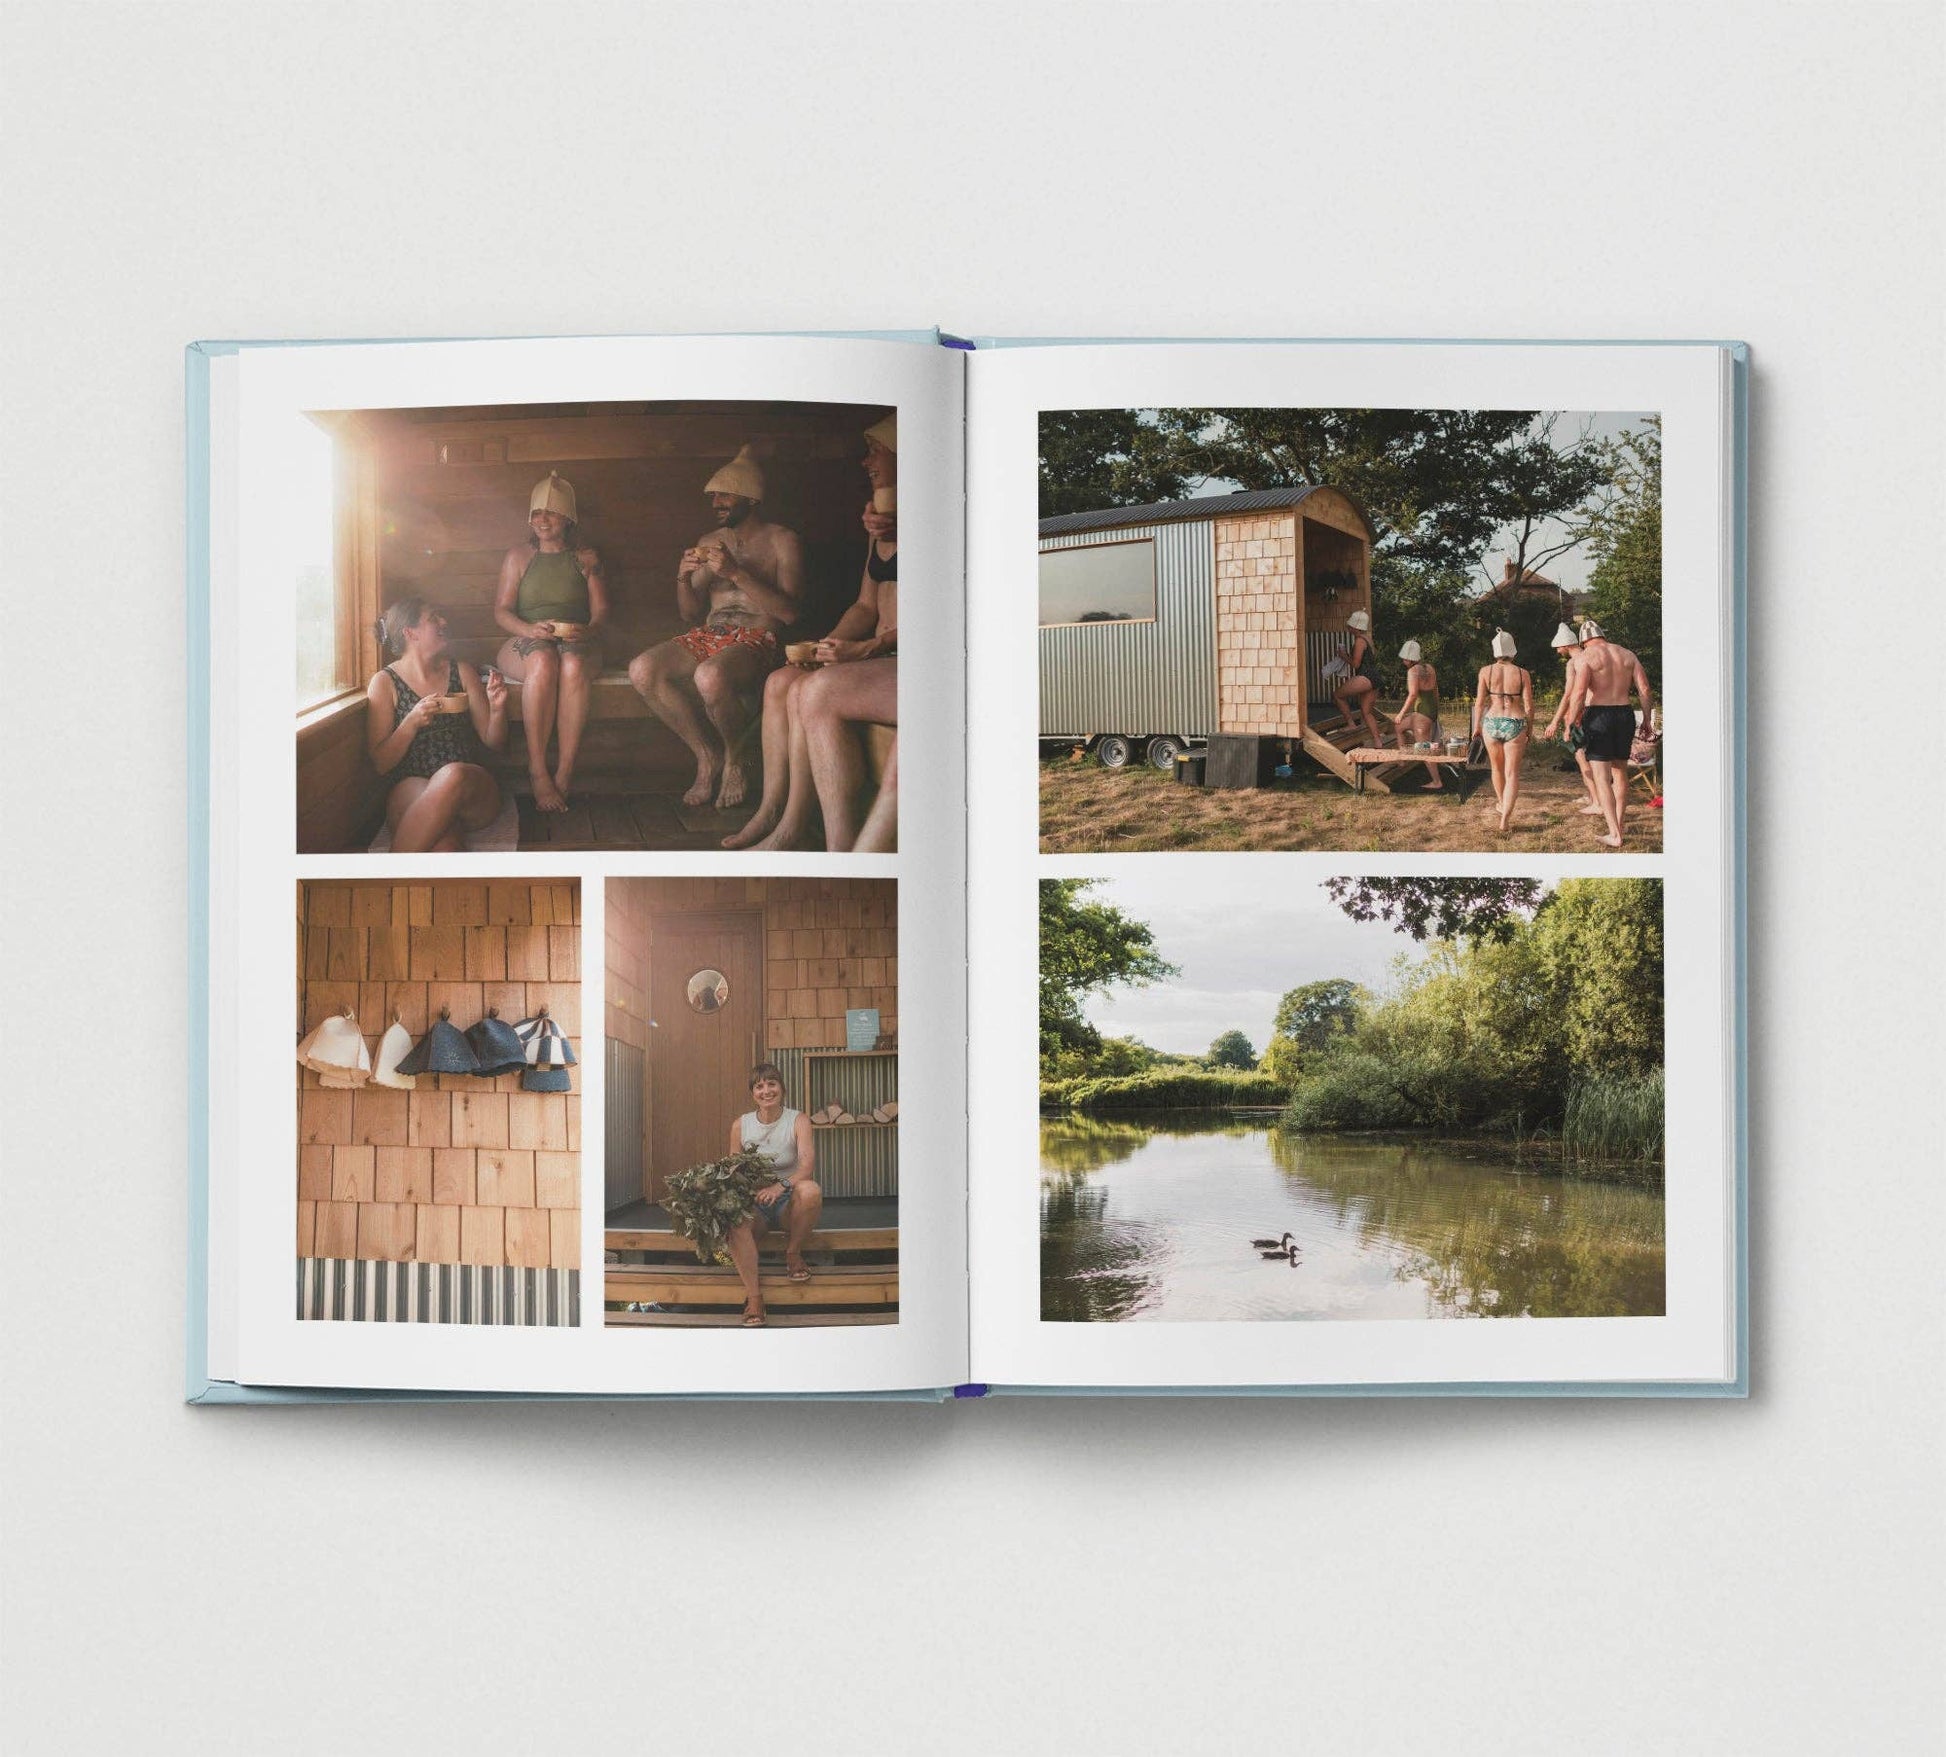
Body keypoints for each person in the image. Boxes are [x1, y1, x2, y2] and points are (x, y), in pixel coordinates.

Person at [725, 412, 899, 852]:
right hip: (876, 652)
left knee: (814, 691)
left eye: (876, 451)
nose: (866, 461)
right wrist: (825, 647)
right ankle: (780, 815)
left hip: (898, 656)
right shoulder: (880, 522)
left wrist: (868, 648)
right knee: (781, 681)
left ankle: (832, 844)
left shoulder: (936, 522)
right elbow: (865, 606)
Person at [628, 446, 804, 810]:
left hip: (758, 638)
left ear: (751, 497)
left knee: (709, 676)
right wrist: (682, 577)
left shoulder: (782, 540)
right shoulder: (709, 542)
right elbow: (690, 614)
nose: (716, 503)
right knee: (642, 669)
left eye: (725, 495)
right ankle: (707, 755)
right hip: (709, 635)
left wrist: (735, 573)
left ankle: (736, 759)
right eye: (714, 497)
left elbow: (790, 614)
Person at [493, 472, 609, 814]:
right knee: (544, 661)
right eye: (537, 513)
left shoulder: (586, 558)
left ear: (568, 518)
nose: (542, 520)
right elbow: (501, 611)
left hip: (577, 641)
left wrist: (587, 631)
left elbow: (601, 612)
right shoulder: (518, 557)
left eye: (552, 513)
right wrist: (528, 630)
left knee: (571, 664)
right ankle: (538, 770)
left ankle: (565, 770)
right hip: (527, 638)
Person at [364, 597, 509, 852]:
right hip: (412, 786)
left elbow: (494, 742)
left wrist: (497, 708)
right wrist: (411, 722)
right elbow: (381, 763)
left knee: (453, 774)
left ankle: (390, 868)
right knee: (445, 847)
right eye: (433, 618)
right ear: (410, 633)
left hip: (470, 789)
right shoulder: (385, 682)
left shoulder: (461, 671)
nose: (443, 622)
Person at [723, 1063, 823, 1328]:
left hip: (788, 1203)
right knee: (735, 1219)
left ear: (782, 1088)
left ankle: (793, 1253)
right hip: (756, 1204)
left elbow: (806, 1167)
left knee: (811, 1190)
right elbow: (733, 1168)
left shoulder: (798, 1120)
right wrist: (740, 1188)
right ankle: (754, 1298)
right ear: (752, 1093)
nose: (766, 1091)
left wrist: (780, 1186)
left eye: (772, 1084)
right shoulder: (740, 1125)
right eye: (759, 1086)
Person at [1563, 618, 1656, 848]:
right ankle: (1619, 825)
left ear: (1583, 641)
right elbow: (1645, 689)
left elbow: (1579, 693)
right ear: (1602, 635)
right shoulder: (1627, 654)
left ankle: (1615, 834)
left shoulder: (1585, 657)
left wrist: (1571, 723)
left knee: (1601, 777)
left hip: (1599, 716)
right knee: (1620, 772)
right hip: (1625, 714)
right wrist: (1646, 719)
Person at [1539, 621, 1606, 819]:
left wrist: (1555, 721)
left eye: (1558, 647)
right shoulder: (1593, 656)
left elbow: (1569, 695)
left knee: (1582, 758)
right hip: (1597, 713)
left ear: (1566, 645)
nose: (1557, 650)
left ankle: (1597, 802)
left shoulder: (1573, 663)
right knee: (1594, 759)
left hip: (1578, 716)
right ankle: (1593, 796)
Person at [1471, 628, 1533, 835]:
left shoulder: (1485, 671)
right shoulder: (1523, 673)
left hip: (1491, 722)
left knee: (1496, 769)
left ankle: (1501, 802)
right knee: (1512, 773)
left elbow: (1479, 703)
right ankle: (1505, 817)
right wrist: (1529, 728)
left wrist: (1476, 727)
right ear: (1513, 650)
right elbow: (1529, 706)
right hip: (1515, 722)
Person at [1389, 638, 1445, 790]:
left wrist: (1401, 713)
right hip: (1429, 711)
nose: (1403, 661)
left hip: (1422, 715)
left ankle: (1437, 781)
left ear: (1410, 658)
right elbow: (1436, 691)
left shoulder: (1412, 671)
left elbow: (1413, 694)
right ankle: (1402, 759)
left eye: (1404, 658)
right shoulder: (1430, 668)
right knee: (1399, 727)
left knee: (1423, 749)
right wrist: (1435, 712)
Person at [1330, 609, 1384, 748]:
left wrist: (1343, 656)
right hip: (1375, 677)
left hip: (1365, 676)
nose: (1348, 629)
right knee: (1367, 712)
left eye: (1350, 626)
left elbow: (1356, 664)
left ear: (1356, 627)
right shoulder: (1368, 639)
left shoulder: (1359, 641)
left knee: (1337, 695)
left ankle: (1351, 724)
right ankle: (1378, 742)